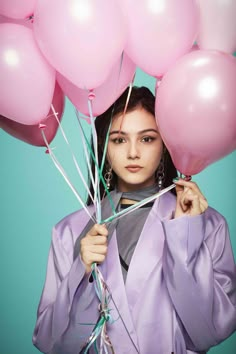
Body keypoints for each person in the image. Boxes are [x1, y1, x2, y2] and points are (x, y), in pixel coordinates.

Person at [33, 87, 236, 354]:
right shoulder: (69, 231)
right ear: (105, 145)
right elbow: (50, 343)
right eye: (119, 140)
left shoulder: (207, 223)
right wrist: (80, 272)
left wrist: (184, 235)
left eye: (147, 139)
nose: (132, 153)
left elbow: (209, 332)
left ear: (165, 143)